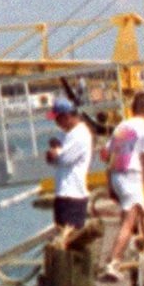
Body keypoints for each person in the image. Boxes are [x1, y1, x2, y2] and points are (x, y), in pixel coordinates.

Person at [102, 92, 144, 277]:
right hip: (132, 176)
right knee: (129, 221)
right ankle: (113, 262)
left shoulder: (121, 126)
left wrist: (109, 184)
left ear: (132, 108)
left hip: (117, 175)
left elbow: (106, 154)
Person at [45, 94, 93, 231]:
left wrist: (56, 153)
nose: (56, 122)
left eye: (57, 118)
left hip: (74, 195)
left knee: (70, 237)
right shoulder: (65, 134)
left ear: (66, 116)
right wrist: (55, 153)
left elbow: (64, 158)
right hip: (62, 193)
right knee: (60, 232)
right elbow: (52, 157)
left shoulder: (81, 134)